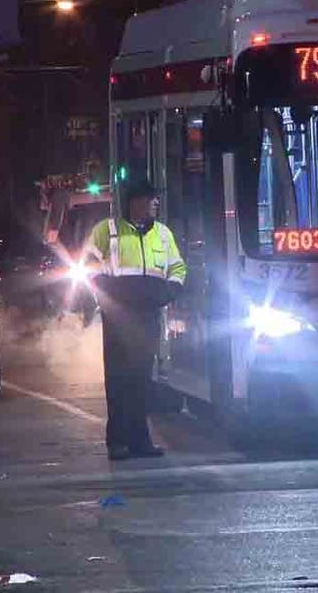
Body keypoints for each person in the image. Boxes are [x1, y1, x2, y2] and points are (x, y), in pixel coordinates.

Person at [85, 177, 186, 460]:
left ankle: (140, 441)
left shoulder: (163, 234)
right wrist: (113, 295)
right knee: (118, 380)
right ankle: (117, 442)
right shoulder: (107, 231)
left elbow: (178, 267)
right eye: (151, 198)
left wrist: (170, 291)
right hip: (118, 318)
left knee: (142, 380)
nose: (156, 203)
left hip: (148, 316)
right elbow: (90, 268)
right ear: (136, 202)